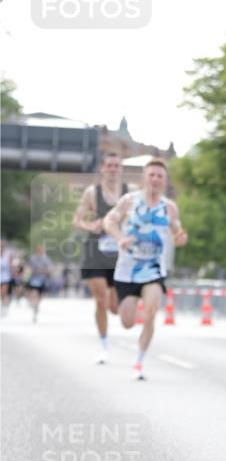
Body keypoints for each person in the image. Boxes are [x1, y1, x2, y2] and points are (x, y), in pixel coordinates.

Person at [103, 159, 188, 381]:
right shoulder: (129, 201)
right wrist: (120, 237)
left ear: (165, 180)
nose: (155, 179)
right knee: (127, 322)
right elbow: (108, 221)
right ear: (144, 178)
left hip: (154, 270)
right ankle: (122, 301)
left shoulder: (169, 207)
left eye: (160, 176)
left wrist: (180, 237)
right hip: (127, 271)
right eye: (152, 175)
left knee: (151, 311)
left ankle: (139, 363)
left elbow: (177, 230)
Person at [72, 151, 128, 363]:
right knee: (100, 300)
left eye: (117, 165)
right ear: (103, 169)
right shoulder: (92, 193)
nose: (113, 169)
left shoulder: (128, 193)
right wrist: (90, 225)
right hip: (95, 251)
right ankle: (104, 345)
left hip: (119, 253)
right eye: (109, 165)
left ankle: (119, 305)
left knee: (114, 307)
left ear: (121, 169)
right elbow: (77, 220)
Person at [25, 244, 54, 321]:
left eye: (41, 250)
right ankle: (34, 305)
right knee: (34, 293)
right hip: (33, 279)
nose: (39, 251)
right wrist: (27, 273)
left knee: (41, 295)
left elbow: (50, 269)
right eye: (38, 250)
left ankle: (36, 305)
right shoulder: (32, 259)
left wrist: (41, 270)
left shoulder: (46, 259)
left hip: (43, 280)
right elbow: (28, 268)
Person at [1, 241, 11, 315]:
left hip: (5, 278)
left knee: (4, 292)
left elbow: (10, 268)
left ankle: (5, 307)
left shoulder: (6, 257)